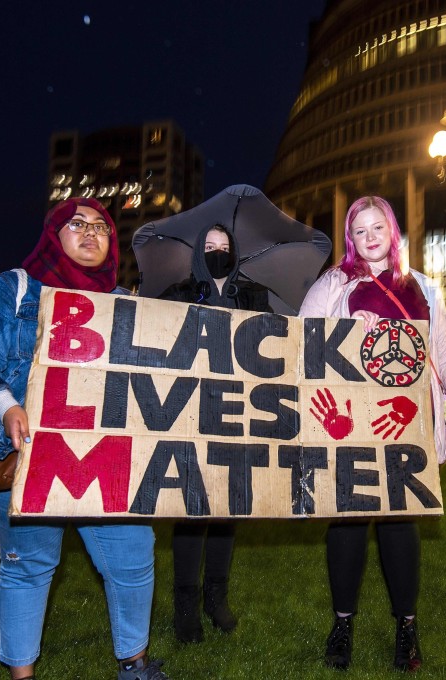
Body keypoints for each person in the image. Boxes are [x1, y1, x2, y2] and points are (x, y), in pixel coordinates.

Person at [0, 198, 168, 680]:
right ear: (52, 234)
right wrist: (4, 406)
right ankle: (22, 675)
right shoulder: (15, 290)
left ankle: (135, 663)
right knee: (30, 564)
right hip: (25, 455)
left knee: (132, 556)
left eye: (102, 228)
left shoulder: (125, 303)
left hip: (106, 458)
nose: (90, 233)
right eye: (77, 224)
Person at [298, 196, 446, 672]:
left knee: (401, 524)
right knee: (349, 522)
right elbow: (302, 341)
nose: (371, 236)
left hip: (406, 418)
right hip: (350, 419)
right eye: (360, 230)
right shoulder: (334, 284)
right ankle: (342, 625)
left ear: (392, 230)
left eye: (378, 226)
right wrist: (346, 329)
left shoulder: (422, 286)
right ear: (350, 239)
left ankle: (407, 628)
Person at [156, 223, 273, 643]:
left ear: (236, 252)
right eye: (209, 247)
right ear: (197, 253)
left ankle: (216, 597)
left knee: (227, 508)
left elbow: (275, 343)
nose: (217, 253)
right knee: (192, 510)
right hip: (189, 414)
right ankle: (185, 604)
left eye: (224, 247)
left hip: (239, 415)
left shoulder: (254, 296)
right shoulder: (179, 293)